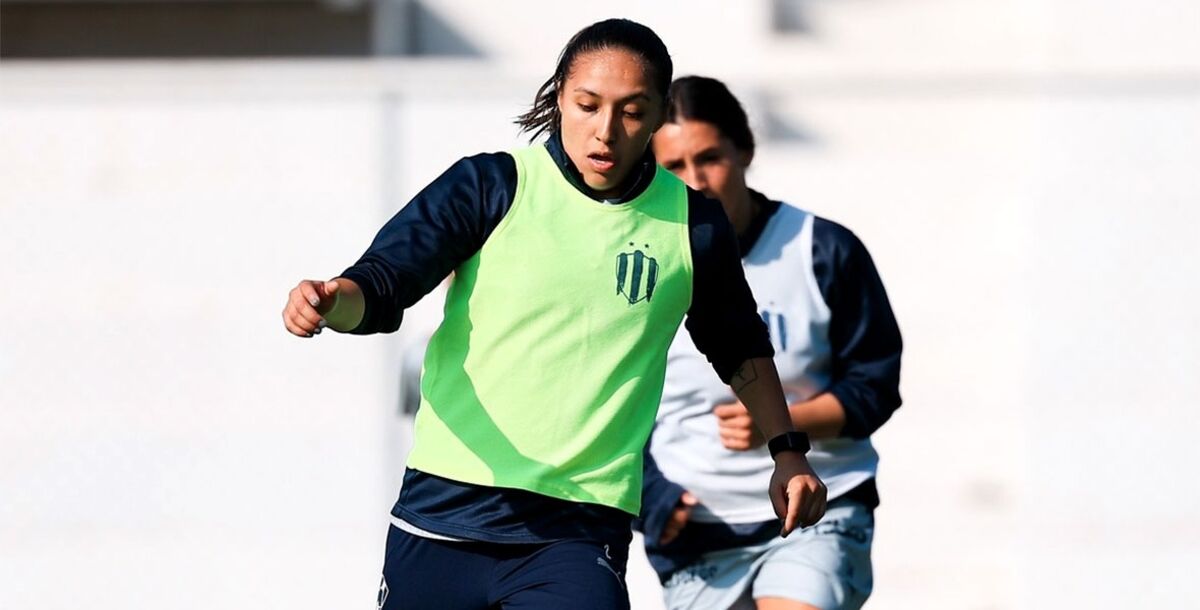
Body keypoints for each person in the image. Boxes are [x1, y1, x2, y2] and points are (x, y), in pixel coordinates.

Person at [280, 21, 827, 610]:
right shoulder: (490, 185)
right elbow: (384, 284)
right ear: (559, 95)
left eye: (633, 112)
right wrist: (334, 301)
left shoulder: (693, 225)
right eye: (587, 105)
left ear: (660, 115)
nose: (605, 131)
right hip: (442, 516)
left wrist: (787, 451)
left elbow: (738, 345)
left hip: (577, 530)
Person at [637, 76, 903, 610]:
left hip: (817, 513)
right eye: (674, 166)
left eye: (710, 158)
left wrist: (786, 424)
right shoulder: (639, 267)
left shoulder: (822, 249)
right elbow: (612, 400)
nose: (696, 181)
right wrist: (656, 498)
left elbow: (876, 385)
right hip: (699, 533)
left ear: (746, 151)